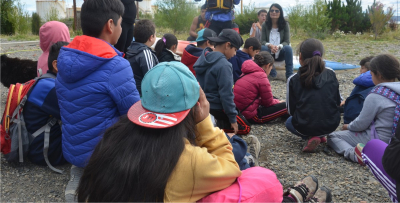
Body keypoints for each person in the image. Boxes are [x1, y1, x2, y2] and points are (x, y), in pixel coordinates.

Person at [76, 61, 331, 203]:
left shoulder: (114, 139)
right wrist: (206, 123)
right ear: (193, 108)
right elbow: (230, 168)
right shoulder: (187, 158)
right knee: (261, 180)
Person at [55, 0, 141, 169]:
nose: (122, 28)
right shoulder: (116, 65)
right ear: (110, 25)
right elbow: (134, 115)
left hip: (74, 153)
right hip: (104, 157)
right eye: (121, 23)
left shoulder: (65, 59)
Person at [328, 54, 400, 165]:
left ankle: (354, 154)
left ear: (379, 75)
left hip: (382, 142)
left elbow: (361, 124)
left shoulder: (377, 95)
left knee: (333, 136)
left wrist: (348, 126)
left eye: (371, 75)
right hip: (397, 141)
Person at [286, 38, 341, 152]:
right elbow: (337, 101)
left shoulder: (293, 79)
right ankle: (321, 135)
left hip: (304, 126)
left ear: (300, 56)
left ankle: (311, 137)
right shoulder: (331, 73)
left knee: (288, 122)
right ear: (321, 56)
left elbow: (290, 110)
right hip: (331, 125)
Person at [194, 29, 248, 135]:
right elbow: (226, 95)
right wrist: (232, 118)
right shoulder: (224, 65)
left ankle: (209, 124)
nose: (235, 54)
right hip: (216, 107)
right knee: (245, 127)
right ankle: (215, 127)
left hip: (202, 105)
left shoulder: (204, 57)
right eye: (235, 49)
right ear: (227, 45)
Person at [24, 41, 69, 167]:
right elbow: (77, 117)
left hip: (36, 147)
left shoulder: (45, 81)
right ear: (57, 65)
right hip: (46, 153)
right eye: (73, 62)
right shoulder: (51, 89)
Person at [234, 52, 288, 124]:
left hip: (240, 110)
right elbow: (268, 103)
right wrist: (278, 102)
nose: (270, 70)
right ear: (267, 65)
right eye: (271, 68)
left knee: (274, 98)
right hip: (251, 116)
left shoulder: (247, 70)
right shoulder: (261, 76)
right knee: (286, 106)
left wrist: (276, 101)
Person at [261, 3, 293, 79]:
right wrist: (270, 46)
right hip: (269, 53)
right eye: (272, 10)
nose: (274, 12)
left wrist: (278, 47)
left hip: (280, 52)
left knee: (288, 48)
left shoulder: (285, 24)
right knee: (263, 48)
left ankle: (289, 76)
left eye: (276, 11)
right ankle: (272, 73)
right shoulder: (265, 25)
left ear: (280, 12)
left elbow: (287, 41)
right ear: (269, 12)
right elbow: (262, 41)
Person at [126, 19, 158, 95]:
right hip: (143, 96)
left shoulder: (130, 49)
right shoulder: (145, 53)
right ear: (151, 37)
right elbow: (152, 80)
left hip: (132, 92)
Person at [341, 56, 375, 123]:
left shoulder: (361, 82)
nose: (360, 71)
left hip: (355, 120)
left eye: (362, 68)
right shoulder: (380, 82)